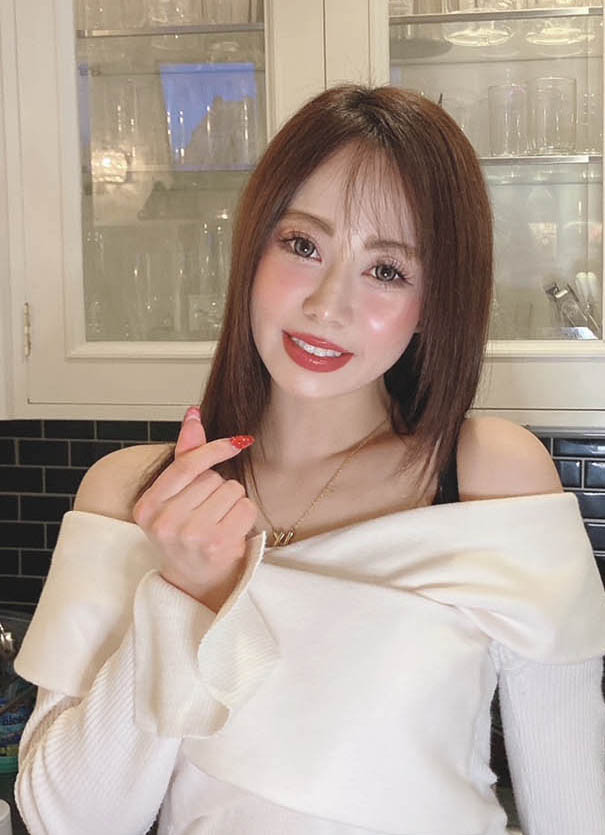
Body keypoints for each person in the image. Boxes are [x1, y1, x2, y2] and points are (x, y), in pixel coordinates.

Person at [13, 84, 605, 835]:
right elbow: (68, 820)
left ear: (434, 301)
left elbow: (572, 808)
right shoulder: (132, 492)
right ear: (253, 249)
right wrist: (186, 594)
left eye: (386, 270)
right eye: (302, 245)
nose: (328, 304)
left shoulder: (488, 478)